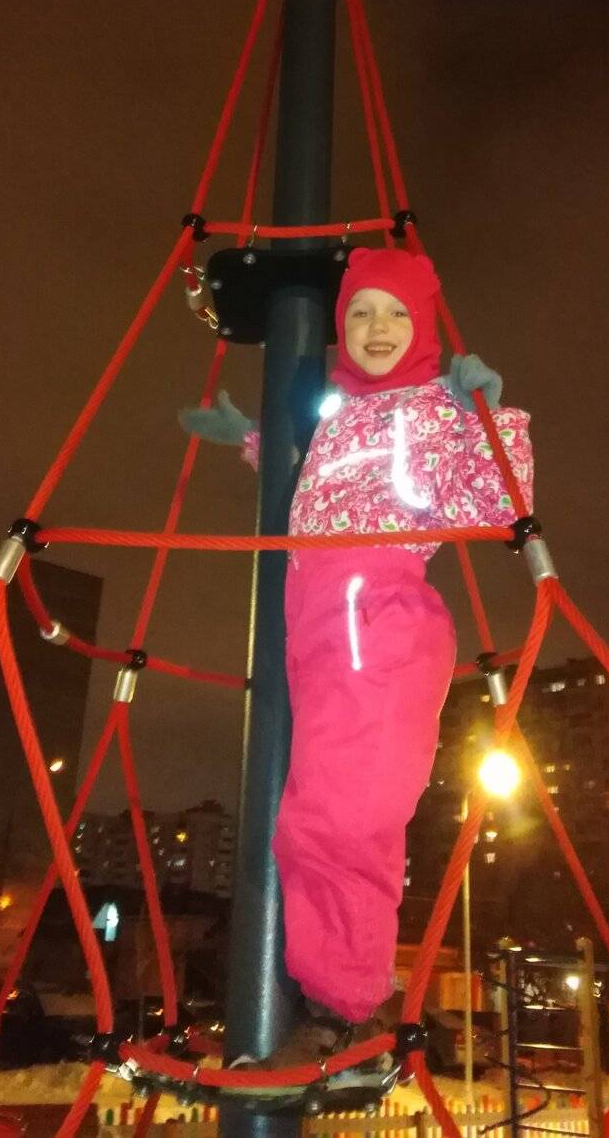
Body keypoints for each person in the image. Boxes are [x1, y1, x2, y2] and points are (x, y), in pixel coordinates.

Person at [181, 246, 533, 1083]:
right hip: (318, 622)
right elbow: (334, 489)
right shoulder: (343, 410)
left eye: (397, 313)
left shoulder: (434, 406)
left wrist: (489, 416)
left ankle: (344, 1015)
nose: (378, 327)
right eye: (362, 312)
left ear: (423, 325)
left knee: (340, 819)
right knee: (301, 819)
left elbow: (497, 505)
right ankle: (318, 1005)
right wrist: (256, 441)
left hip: (377, 617)